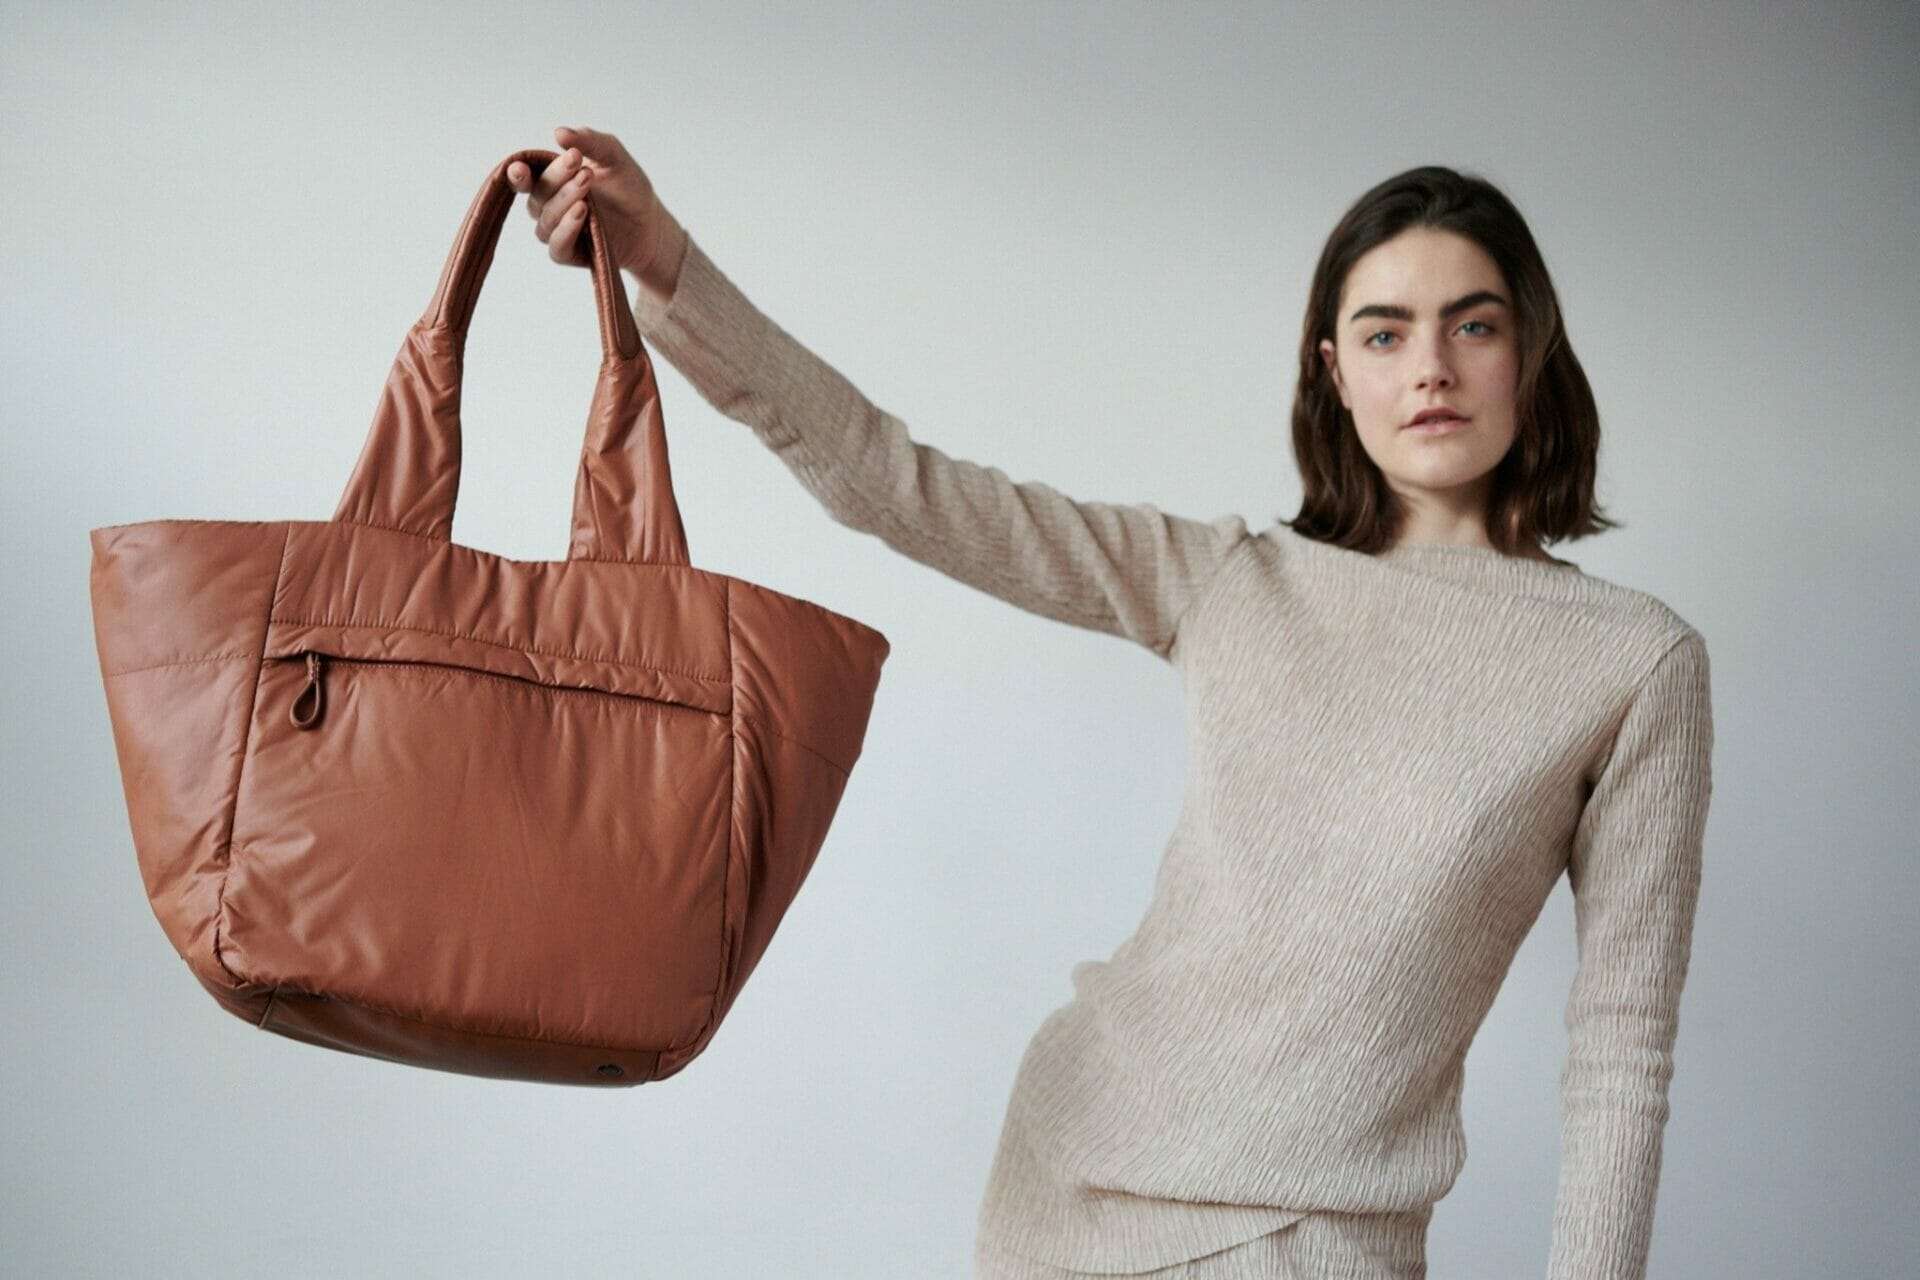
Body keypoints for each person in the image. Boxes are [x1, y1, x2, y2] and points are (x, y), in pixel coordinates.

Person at [509, 126, 1714, 1280]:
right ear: (1336, 372)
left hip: (1325, 1233)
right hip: (1071, 1188)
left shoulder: (1628, 663)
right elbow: (895, 482)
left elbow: (1620, 1053)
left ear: (1531, 351)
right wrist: (669, 269)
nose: (1434, 367)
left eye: (1475, 324)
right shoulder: (1232, 580)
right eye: (1387, 333)